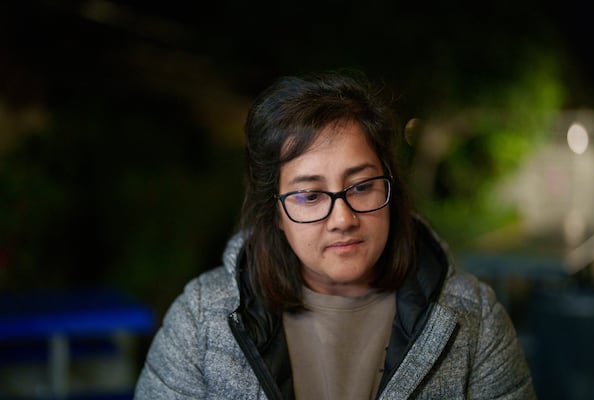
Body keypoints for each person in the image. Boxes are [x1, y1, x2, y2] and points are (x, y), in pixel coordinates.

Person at [134, 71, 536, 399]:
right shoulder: (202, 320)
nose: (342, 218)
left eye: (361, 187)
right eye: (310, 195)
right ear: (275, 211)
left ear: (389, 187)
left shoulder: (473, 320)